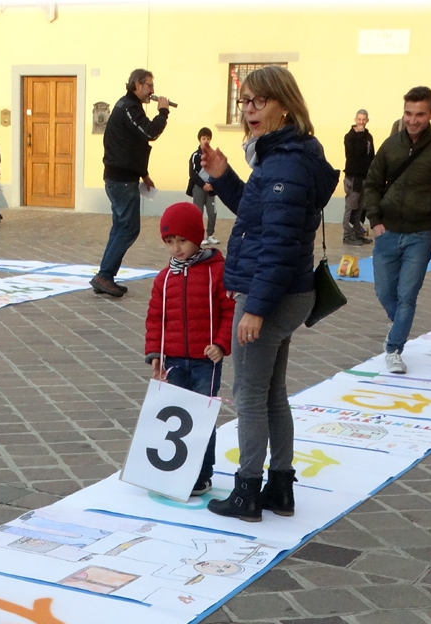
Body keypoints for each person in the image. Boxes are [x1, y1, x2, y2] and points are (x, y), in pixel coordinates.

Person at [201, 66, 338, 522]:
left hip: (270, 292)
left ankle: (247, 492)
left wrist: (255, 308)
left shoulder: (283, 162)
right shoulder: (285, 155)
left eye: (259, 101)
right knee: (272, 393)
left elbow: (278, 243)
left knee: (249, 395)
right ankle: (280, 487)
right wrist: (224, 177)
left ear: (284, 104)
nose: (249, 110)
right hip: (287, 289)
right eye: (244, 101)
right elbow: (259, 214)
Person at [363, 85, 431, 375]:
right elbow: (372, 183)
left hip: (421, 234)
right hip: (387, 231)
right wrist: (375, 221)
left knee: (407, 295)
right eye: (408, 113)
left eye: (420, 114)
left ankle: (394, 348)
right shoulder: (390, 145)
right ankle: (399, 326)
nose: (413, 120)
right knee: (385, 292)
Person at [144, 202, 233, 497]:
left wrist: (221, 344)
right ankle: (171, 471)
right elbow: (155, 318)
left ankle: (202, 474)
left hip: (205, 361)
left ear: (197, 236)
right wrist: (155, 354)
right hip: (173, 360)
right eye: (170, 241)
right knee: (173, 416)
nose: (176, 248)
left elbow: (229, 311)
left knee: (201, 417)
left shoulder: (217, 272)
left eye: (182, 240)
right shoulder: (164, 278)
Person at [91, 68, 170, 297]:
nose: (152, 91)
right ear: (137, 85)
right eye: (149, 85)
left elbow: (133, 145)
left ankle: (105, 275)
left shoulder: (129, 106)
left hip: (123, 177)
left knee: (120, 227)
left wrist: (144, 174)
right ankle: (104, 276)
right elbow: (149, 132)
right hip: (121, 180)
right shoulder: (129, 107)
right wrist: (163, 112)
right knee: (128, 228)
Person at [342, 109, 374, 245]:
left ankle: (357, 233)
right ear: (355, 120)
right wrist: (360, 135)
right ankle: (347, 235)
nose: (361, 122)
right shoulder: (350, 137)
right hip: (353, 177)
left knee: (360, 207)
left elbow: (371, 155)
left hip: (364, 177)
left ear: (367, 120)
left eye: (364, 119)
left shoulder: (368, 136)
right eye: (359, 119)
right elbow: (356, 153)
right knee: (351, 207)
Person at [187, 127, 218, 247]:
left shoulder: (214, 155)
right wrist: (203, 185)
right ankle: (198, 236)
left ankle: (210, 234)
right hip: (199, 187)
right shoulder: (195, 156)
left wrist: (212, 184)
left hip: (211, 187)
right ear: (199, 139)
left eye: (208, 138)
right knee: (198, 212)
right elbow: (193, 174)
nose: (206, 141)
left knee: (212, 212)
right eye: (204, 138)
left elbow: (216, 171)